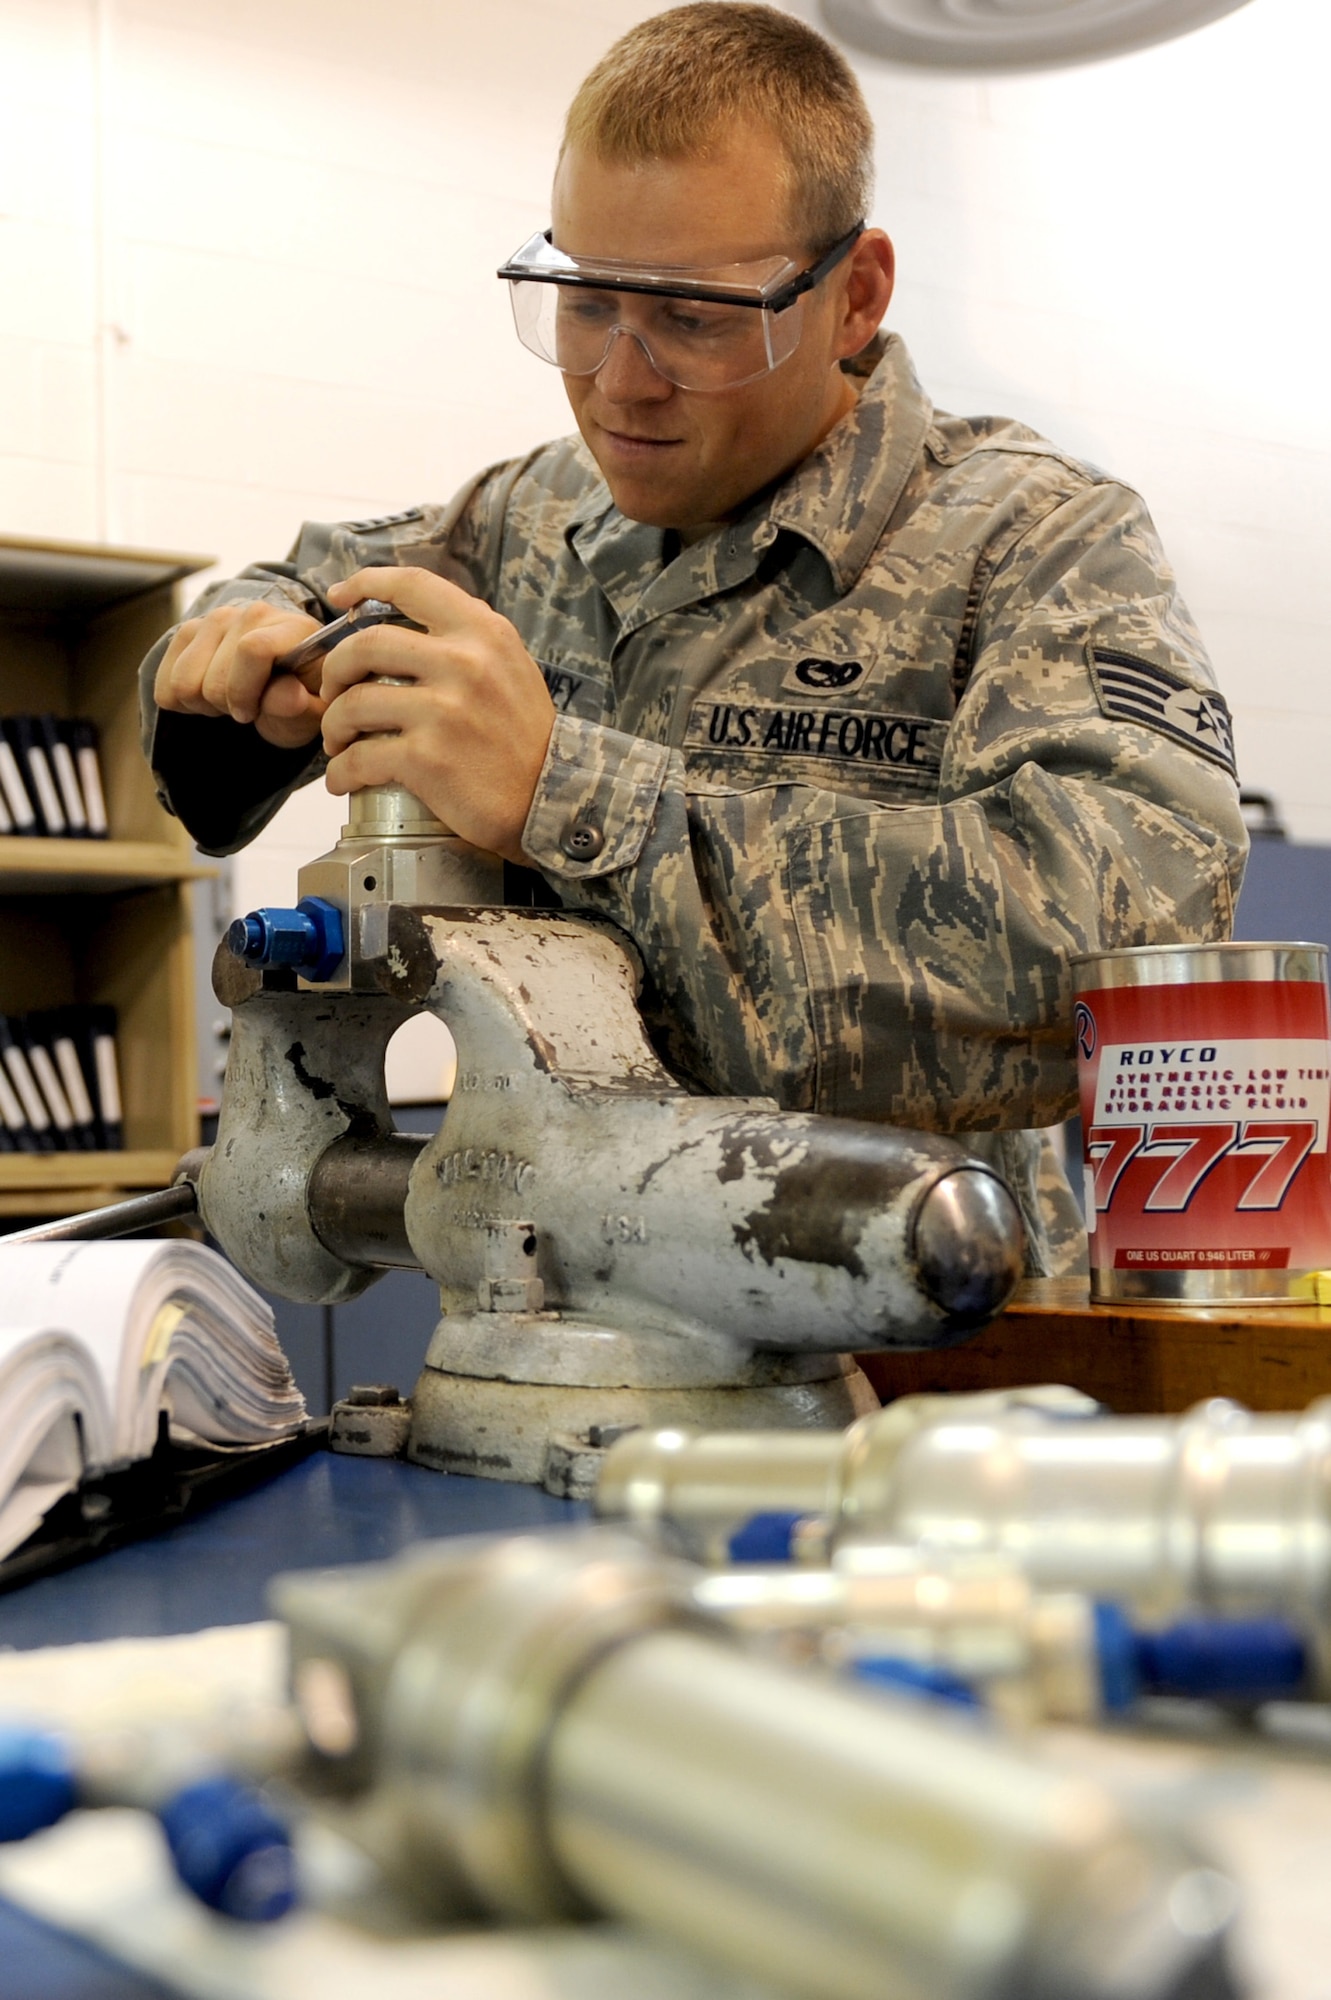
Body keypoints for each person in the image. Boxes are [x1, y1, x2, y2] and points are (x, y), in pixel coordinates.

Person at [139, 2, 1247, 1275]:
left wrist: (565, 789)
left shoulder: (1033, 542)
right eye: (581, 300)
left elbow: (1118, 944)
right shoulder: (520, 523)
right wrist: (238, 654)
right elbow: (284, 587)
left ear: (852, 295)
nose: (620, 380)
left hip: (919, 1345)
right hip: (543, 1339)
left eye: (694, 318)